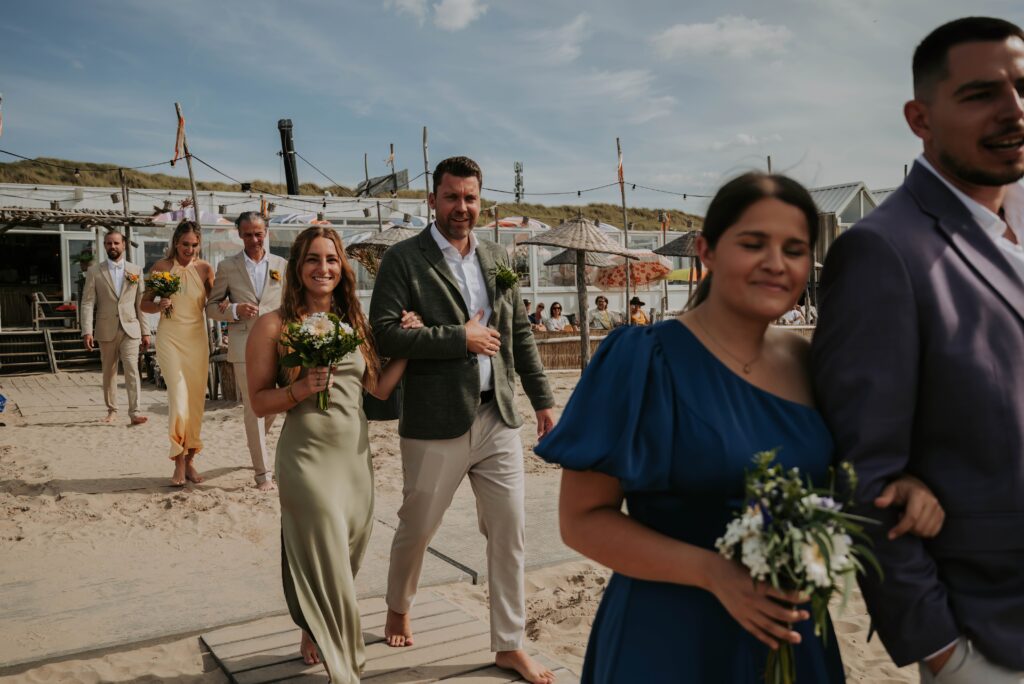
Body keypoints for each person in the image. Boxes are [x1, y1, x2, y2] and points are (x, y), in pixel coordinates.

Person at [535, 172, 945, 683]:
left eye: (794, 249)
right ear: (706, 251)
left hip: (791, 638)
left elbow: (847, 476)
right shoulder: (642, 358)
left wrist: (901, 484)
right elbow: (581, 521)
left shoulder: (809, 361)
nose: (776, 263)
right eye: (753, 243)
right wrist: (713, 573)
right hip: (670, 637)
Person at [811, 17, 1024, 682]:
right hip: (994, 633)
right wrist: (948, 656)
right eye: (981, 94)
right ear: (919, 117)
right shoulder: (884, 250)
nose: (1014, 110)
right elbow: (863, 476)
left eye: (1023, 88)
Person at [369, 156, 557, 684]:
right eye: (451, 197)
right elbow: (383, 333)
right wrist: (459, 338)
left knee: (510, 530)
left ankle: (509, 644)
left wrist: (542, 401)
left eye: (470, 198)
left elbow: (518, 333)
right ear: (432, 200)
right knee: (417, 526)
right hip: (433, 420)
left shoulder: (499, 257)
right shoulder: (403, 260)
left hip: (498, 416)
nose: (462, 208)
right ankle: (398, 603)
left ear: (481, 200)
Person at [247, 225, 417, 682]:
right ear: (297, 268)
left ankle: (311, 627)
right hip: (305, 457)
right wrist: (299, 389)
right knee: (327, 553)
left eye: (332, 260)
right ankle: (348, 668)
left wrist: (407, 346)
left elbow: (378, 389)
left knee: (346, 553)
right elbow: (259, 400)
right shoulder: (273, 326)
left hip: (355, 458)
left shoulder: (354, 325)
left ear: (342, 270)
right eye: (313, 260)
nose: (323, 268)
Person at [206, 212, 288, 491]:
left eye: (258, 233)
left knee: (278, 402)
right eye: (248, 234)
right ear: (239, 235)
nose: (254, 239)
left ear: (267, 233)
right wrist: (234, 310)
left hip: (278, 343)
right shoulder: (227, 266)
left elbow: (291, 304)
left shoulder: (282, 265)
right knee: (254, 408)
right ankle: (263, 474)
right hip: (243, 345)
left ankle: (257, 441)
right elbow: (211, 307)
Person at [142, 220, 213, 487]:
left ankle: (191, 460)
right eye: (185, 244)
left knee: (195, 403)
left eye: (194, 245)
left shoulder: (206, 269)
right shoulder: (161, 268)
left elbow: (215, 305)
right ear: (175, 242)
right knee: (179, 398)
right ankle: (178, 461)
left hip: (197, 341)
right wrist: (159, 305)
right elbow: (144, 304)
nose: (190, 249)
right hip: (170, 339)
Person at [80, 230, 150, 426]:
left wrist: (145, 331)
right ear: (104, 246)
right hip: (105, 328)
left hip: (131, 329)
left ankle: (135, 412)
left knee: (132, 369)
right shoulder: (95, 271)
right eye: (109, 243)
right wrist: (87, 330)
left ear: (124, 245)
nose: (113, 247)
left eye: (116, 243)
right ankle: (112, 410)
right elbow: (87, 302)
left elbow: (141, 303)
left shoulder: (135, 270)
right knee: (108, 372)